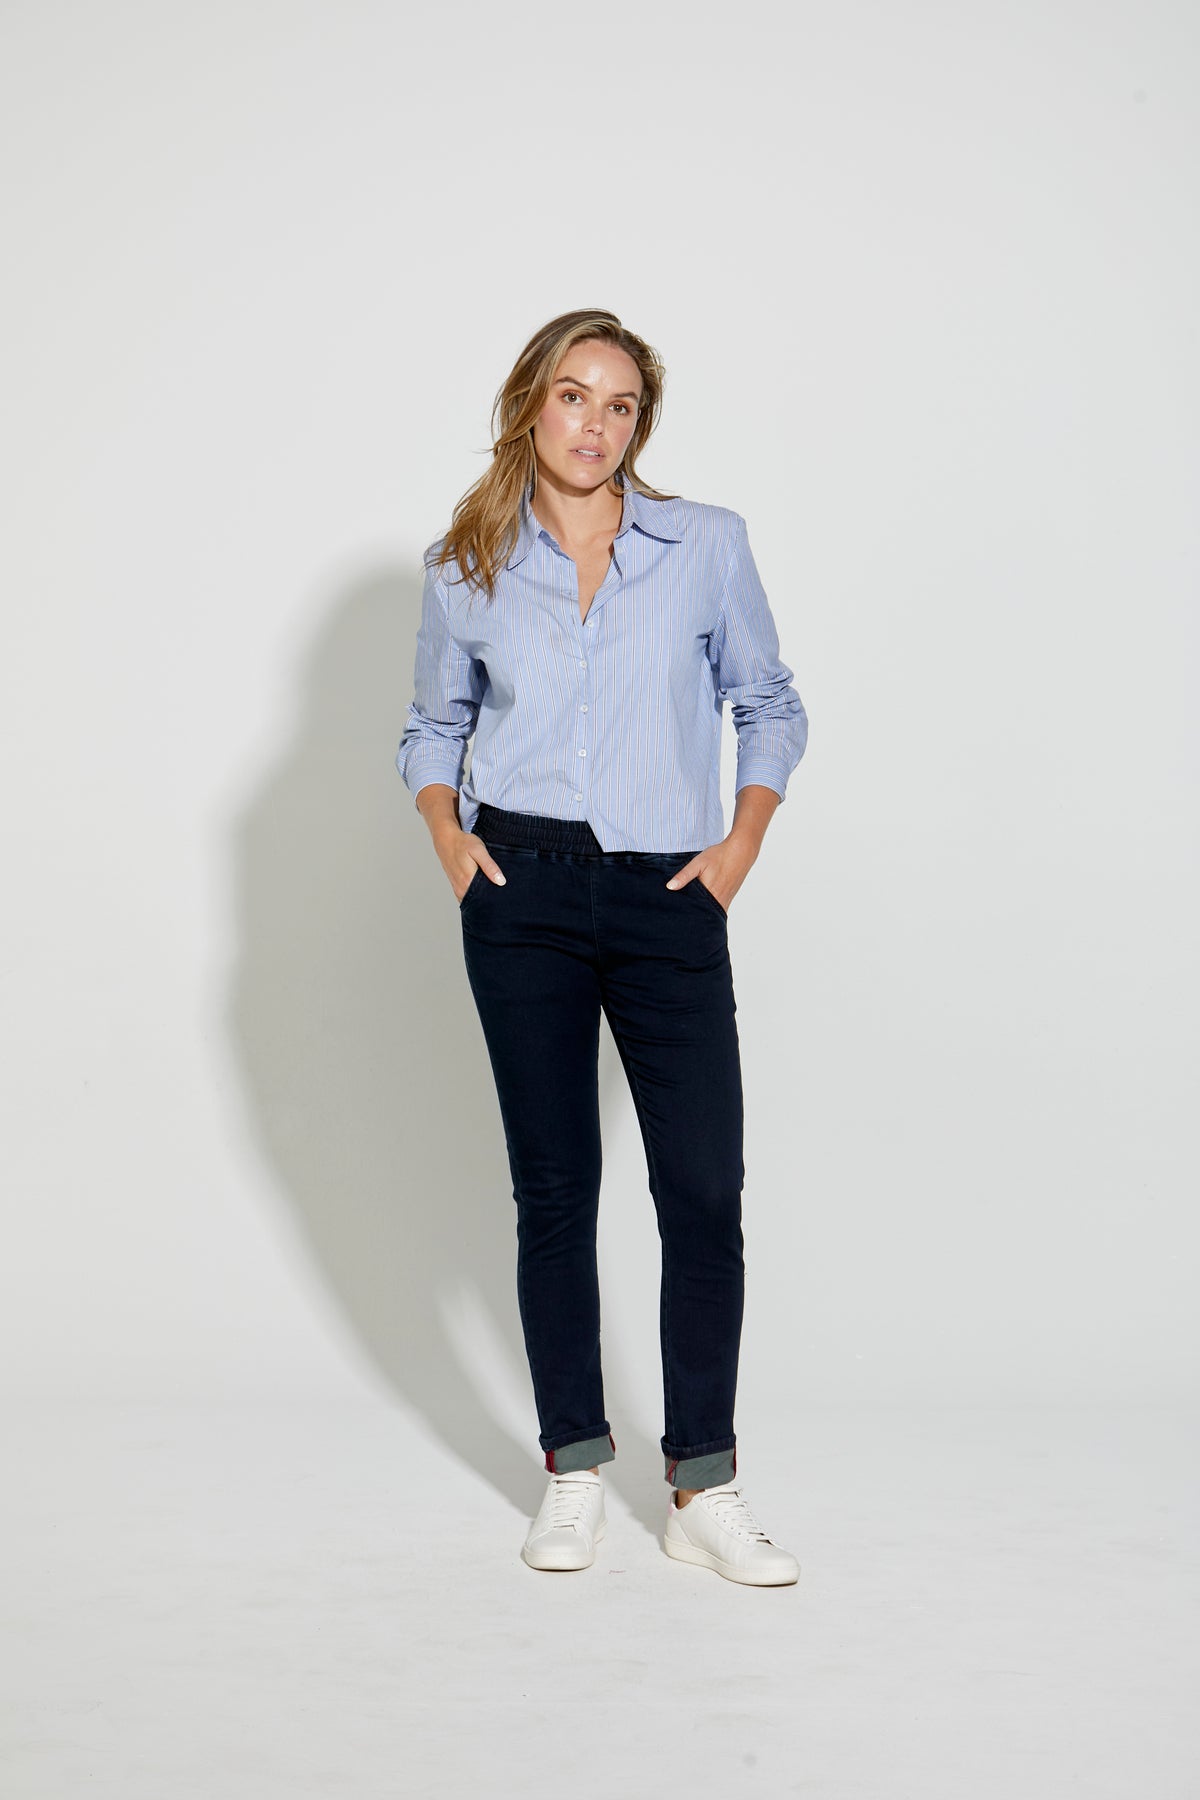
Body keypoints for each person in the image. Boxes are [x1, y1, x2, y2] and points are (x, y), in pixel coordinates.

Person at [395, 308, 808, 1586]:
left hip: (667, 892)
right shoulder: (465, 564)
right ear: (532, 404)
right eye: (574, 396)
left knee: (704, 1189)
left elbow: (769, 701)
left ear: (641, 424)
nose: (596, 424)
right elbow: (431, 725)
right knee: (556, 1188)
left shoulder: (704, 546)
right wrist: (450, 838)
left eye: (621, 405)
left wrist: (738, 847)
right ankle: (573, 1465)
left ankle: (702, 1487)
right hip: (520, 890)